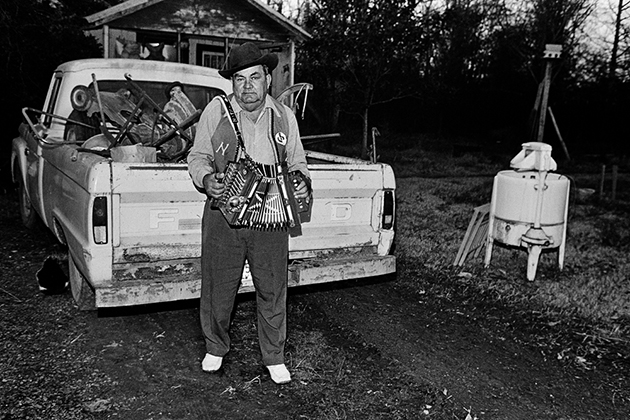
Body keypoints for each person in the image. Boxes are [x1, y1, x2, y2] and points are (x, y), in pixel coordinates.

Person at [187, 42, 311, 385]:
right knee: (218, 286)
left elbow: (297, 162)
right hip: (224, 213)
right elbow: (197, 157)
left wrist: (301, 182)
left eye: (254, 77)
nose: (247, 87)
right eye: (239, 79)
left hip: (271, 215)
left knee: (272, 288)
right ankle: (215, 347)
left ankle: (273, 356)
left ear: (267, 79)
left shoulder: (285, 116)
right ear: (233, 83)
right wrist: (207, 178)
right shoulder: (217, 111)